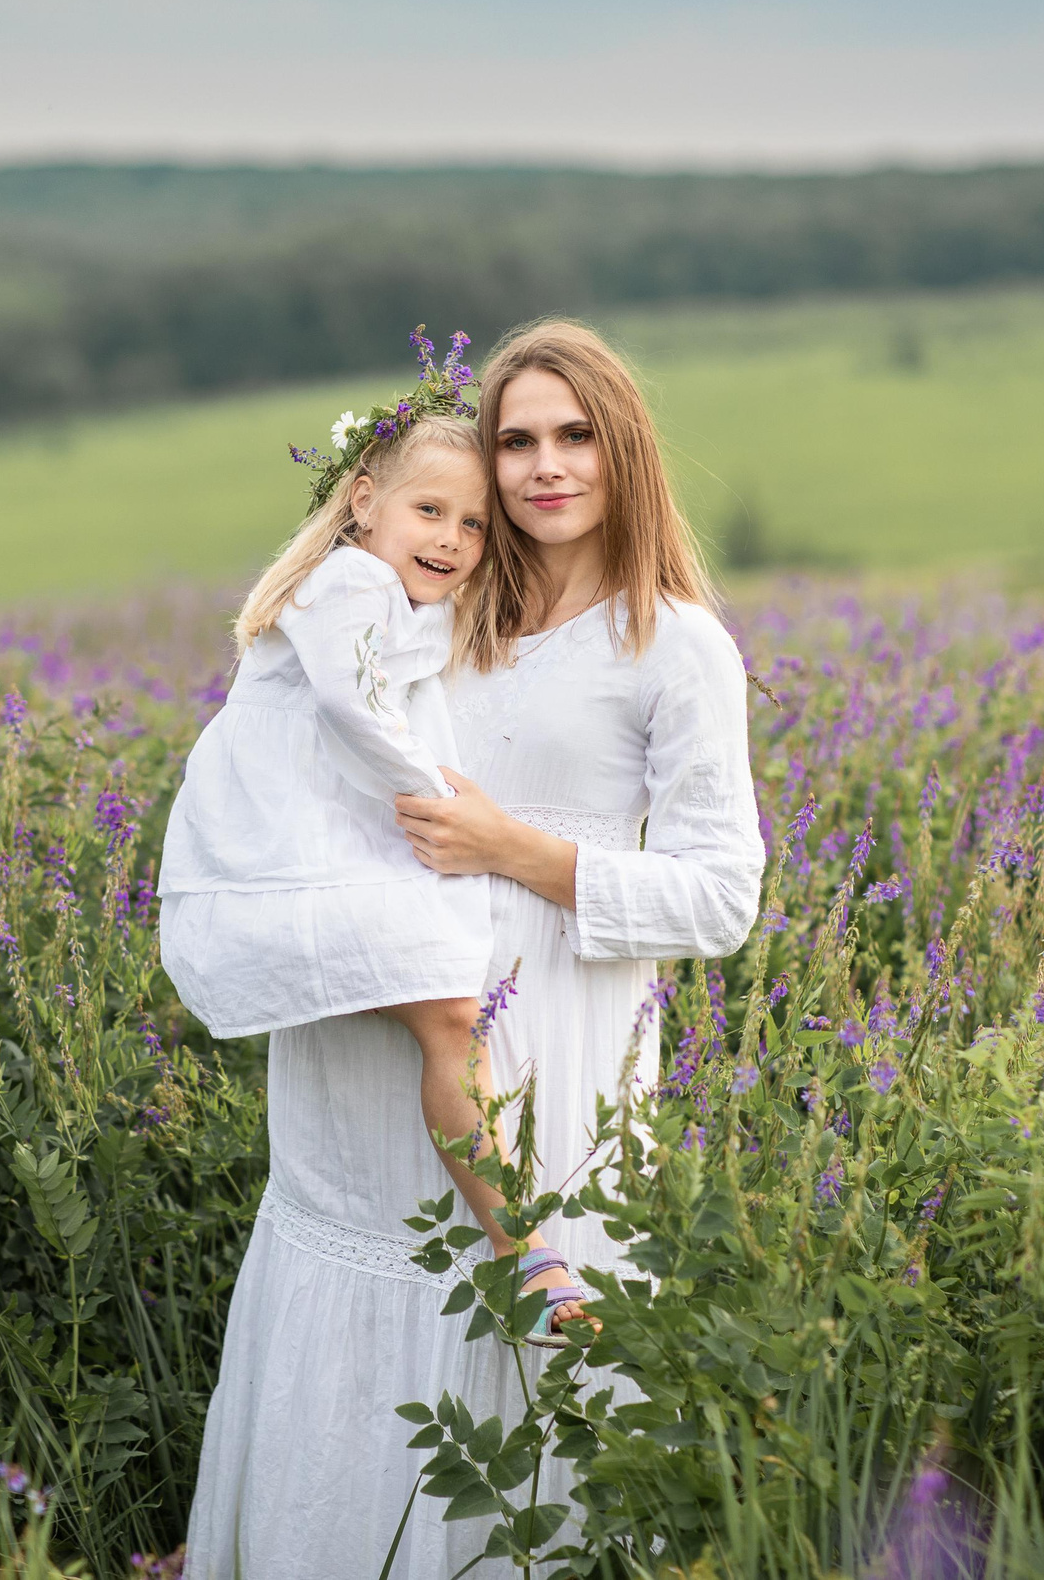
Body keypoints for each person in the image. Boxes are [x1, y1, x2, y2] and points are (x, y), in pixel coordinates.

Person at [185, 318, 763, 1578]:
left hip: (549, 1038)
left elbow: (722, 900)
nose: (545, 466)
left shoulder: (672, 644)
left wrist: (518, 852)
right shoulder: (436, 606)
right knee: (360, 1290)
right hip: (377, 1017)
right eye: (516, 441)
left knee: (526, 1321)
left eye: (574, 436)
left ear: (624, 450)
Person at [160, 330, 596, 1341]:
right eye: (429, 511)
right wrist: (438, 796)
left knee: (451, 1023)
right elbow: (360, 711)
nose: (451, 538)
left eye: (476, 526)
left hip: (310, 861)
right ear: (362, 503)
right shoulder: (349, 584)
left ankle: (522, 1245)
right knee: (451, 1025)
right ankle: (524, 1248)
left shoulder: (393, 596)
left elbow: (438, 643)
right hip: (292, 869)